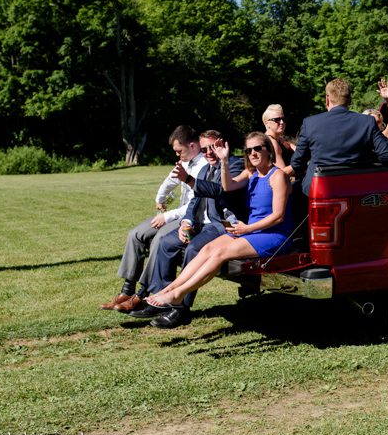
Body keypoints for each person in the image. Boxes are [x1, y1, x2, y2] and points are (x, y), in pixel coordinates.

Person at [143, 132, 294, 327]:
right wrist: (223, 160)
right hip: (252, 231)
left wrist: (247, 228)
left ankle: (178, 294)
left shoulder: (278, 176)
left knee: (220, 253)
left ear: (268, 151)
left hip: (273, 234)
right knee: (207, 249)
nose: (253, 153)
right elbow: (227, 186)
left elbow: (278, 216)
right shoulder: (252, 174)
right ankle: (168, 290)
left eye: (258, 148)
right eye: (249, 150)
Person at [128, 130, 246, 323]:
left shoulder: (234, 165)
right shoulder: (203, 169)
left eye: (212, 148)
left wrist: (189, 180)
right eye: (205, 149)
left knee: (193, 248)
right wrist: (187, 222)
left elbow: (221, 190)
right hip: (200, 223)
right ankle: (159, 299)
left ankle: (181, 308)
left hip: (221, 225)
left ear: (222, 145)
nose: (208, 153)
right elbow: (194, 201)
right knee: (166, 243)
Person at [100, 125, 207, 313]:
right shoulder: (185, 161)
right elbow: (171, 180)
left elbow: (194, 205)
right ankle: (127, 289)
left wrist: (167, 216)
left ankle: (142, 294)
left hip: (190, 218)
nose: (177, 155)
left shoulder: (204, 166)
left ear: (192, 145)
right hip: (176, 214)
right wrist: (160, 198)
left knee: (159, 239)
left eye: (179, 151)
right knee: (136, 234)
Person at [286, 78, 388, 195]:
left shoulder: (310, 123)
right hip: (355, 189)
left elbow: (297, 163)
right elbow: (387, 155)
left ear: (327, 99)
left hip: (318, 189)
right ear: (349, 100)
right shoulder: (367, 122)